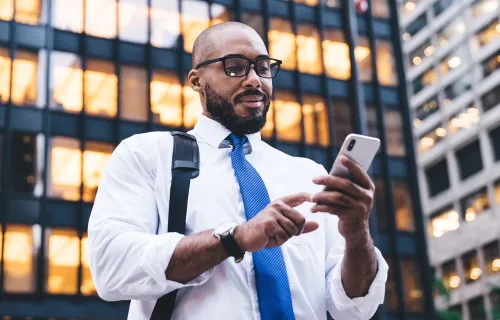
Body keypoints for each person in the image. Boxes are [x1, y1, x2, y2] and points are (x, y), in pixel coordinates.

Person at [88, 21, 388, 320]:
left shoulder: (309, 174)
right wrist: (236, 238)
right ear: (196, 80)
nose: (255, 79)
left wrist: (356, 231)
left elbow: (352, 307)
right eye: (235, 67)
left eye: (262, 66)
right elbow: (111, 267)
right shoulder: (147, 155)